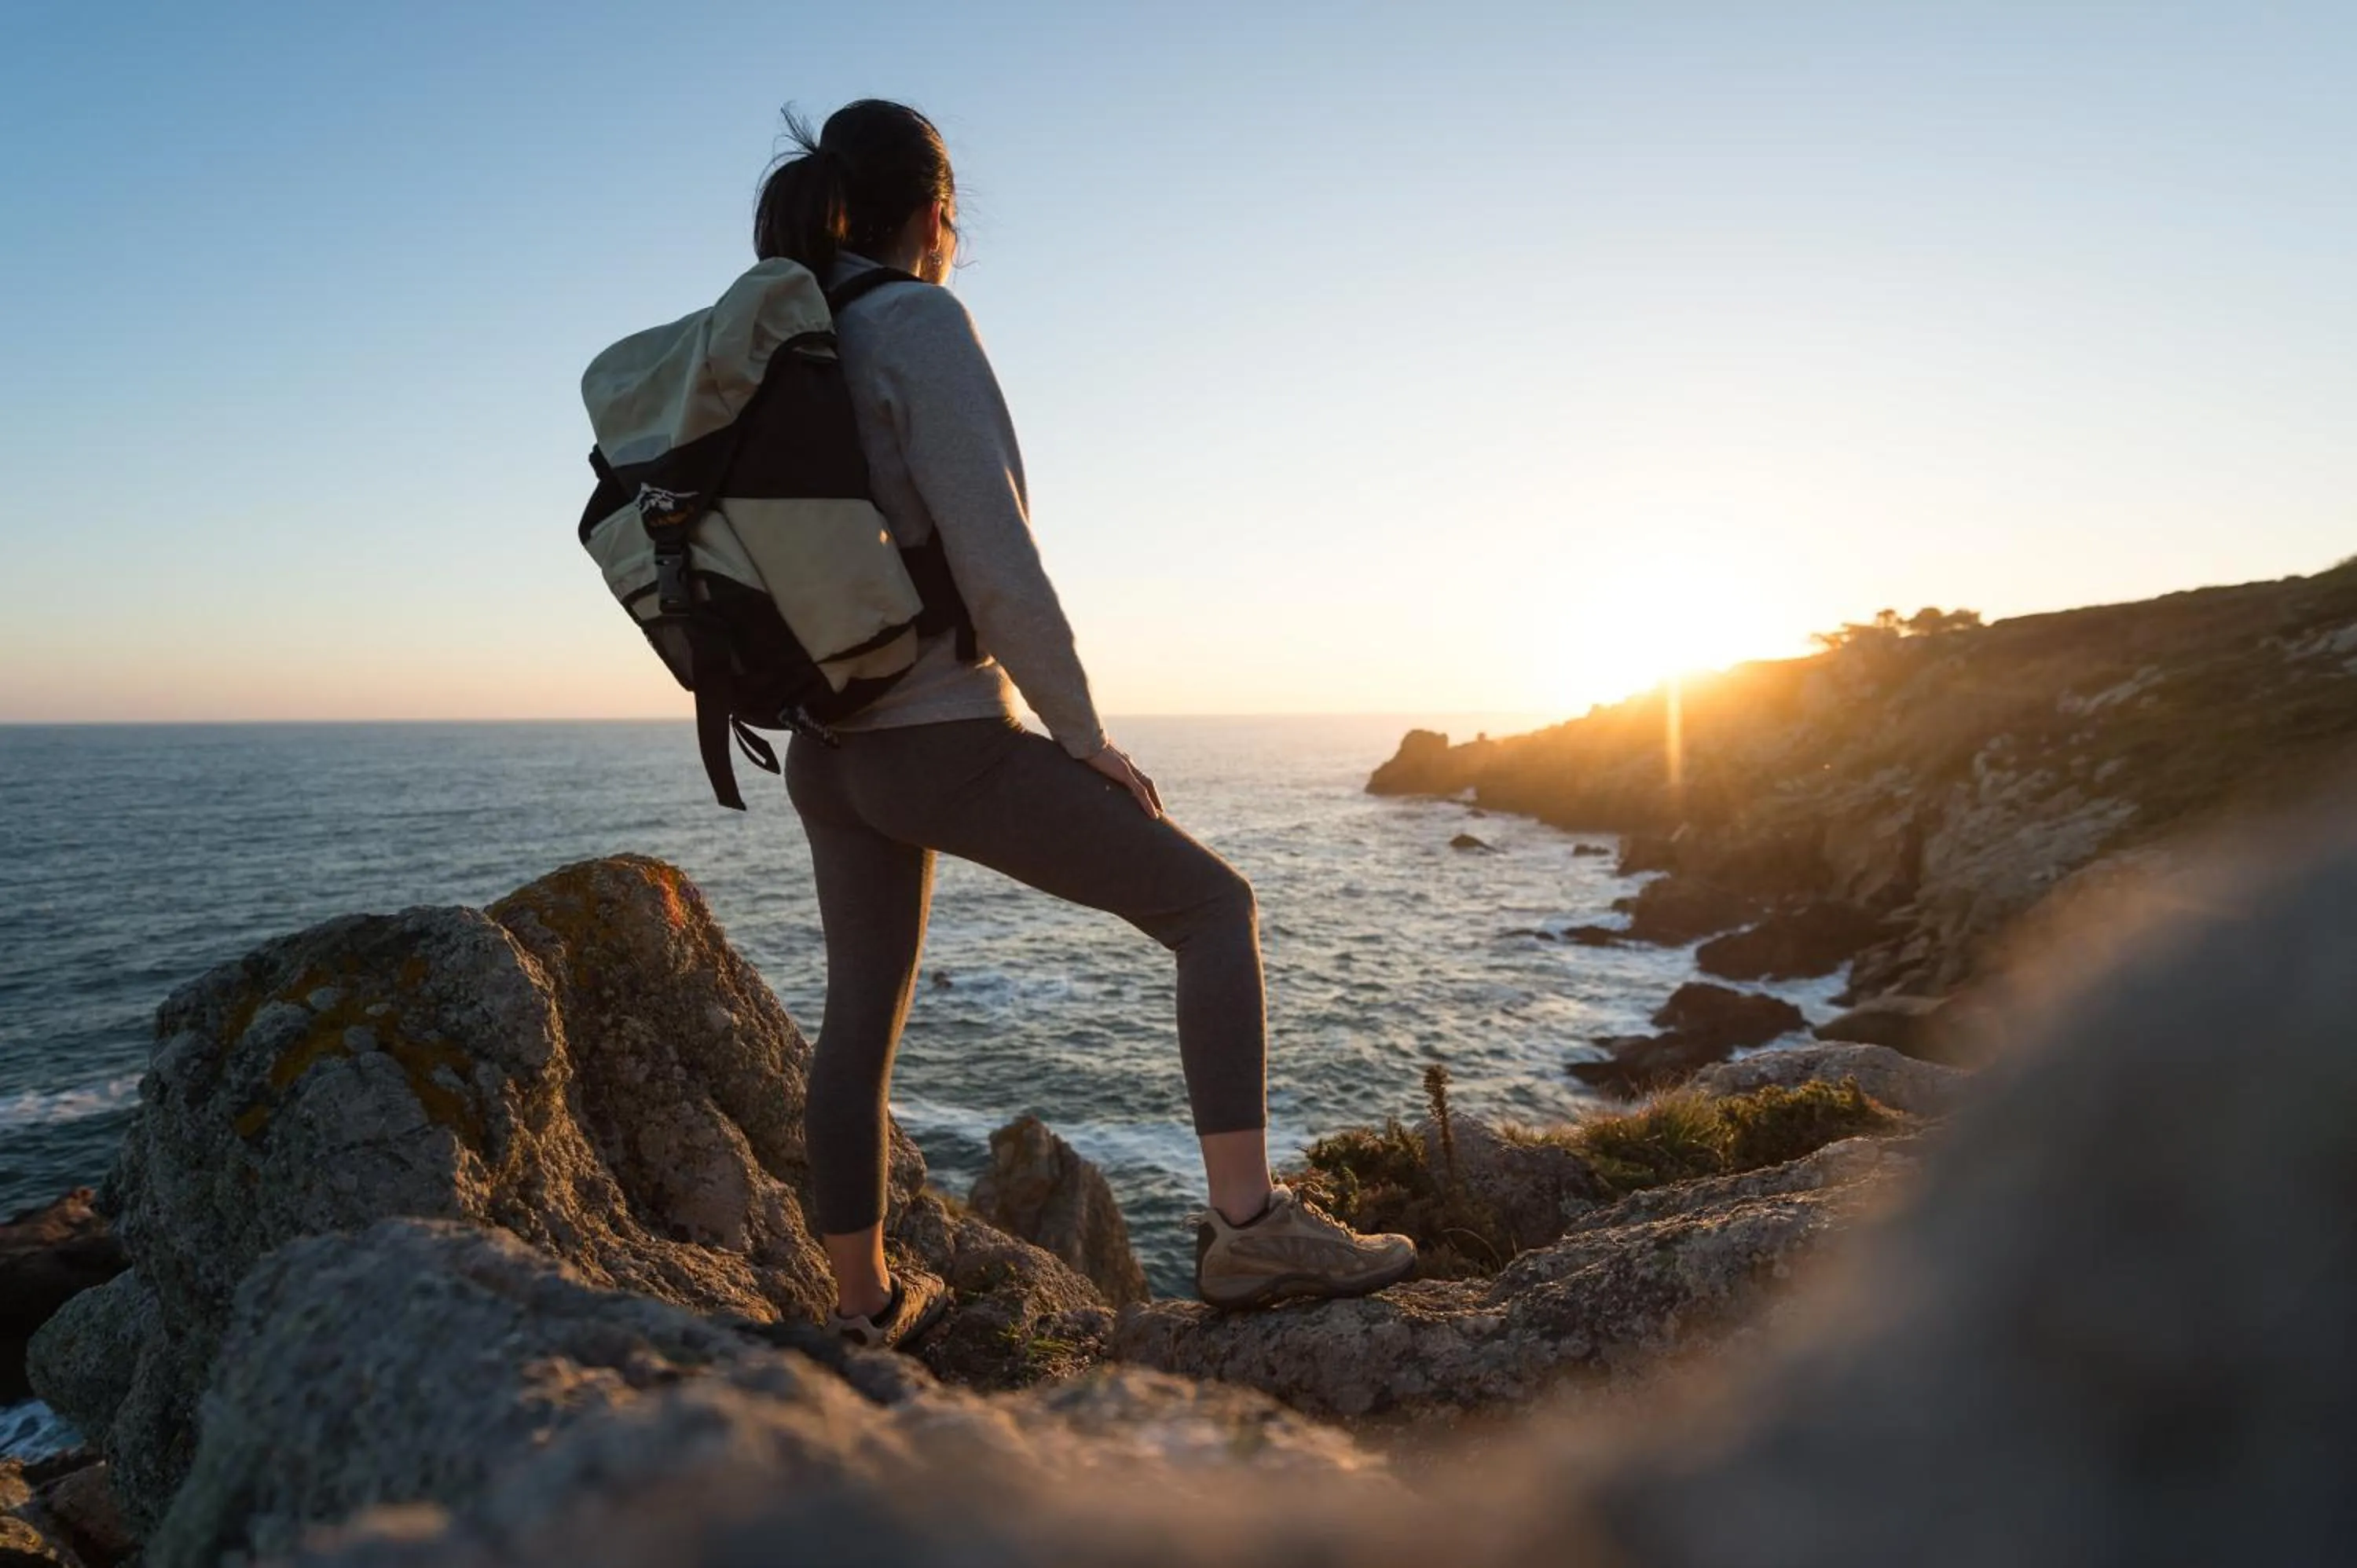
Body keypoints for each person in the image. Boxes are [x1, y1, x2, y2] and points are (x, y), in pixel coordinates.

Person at [755, 101, 1417, 1347]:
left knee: (855, 1025)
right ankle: (1247, 1228)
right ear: (932, 212)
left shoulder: (791, 337)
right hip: (939, 736)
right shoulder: (914, 317)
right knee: (1214, 911)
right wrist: (1079, 735)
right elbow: (997, 558)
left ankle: (860, 1308)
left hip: (825, 753)